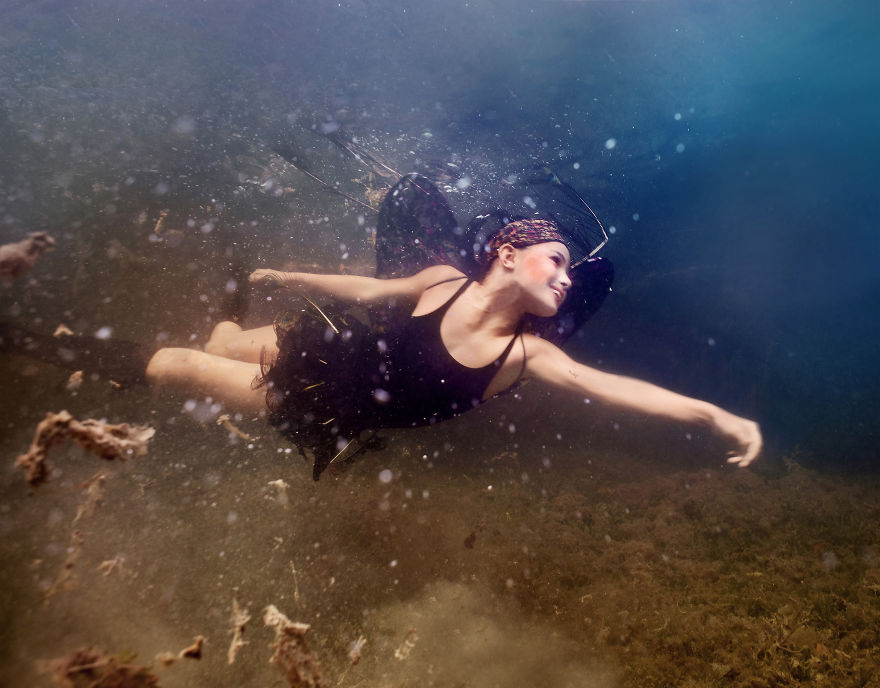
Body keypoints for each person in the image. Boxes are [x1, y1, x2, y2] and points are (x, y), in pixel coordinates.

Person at [5, 174, 762, 478]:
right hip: (333, 347)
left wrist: (717, 414)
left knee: (178, 366)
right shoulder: (439, 279)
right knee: (226, 345)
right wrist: (289, 277)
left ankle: (24, 340)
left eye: (570, 272)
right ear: (508, 251)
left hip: (324, 402)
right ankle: (233, 307)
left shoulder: (526, 355)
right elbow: (370, 287)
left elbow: (617, 389)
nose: (569, 278)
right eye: (558, 261)